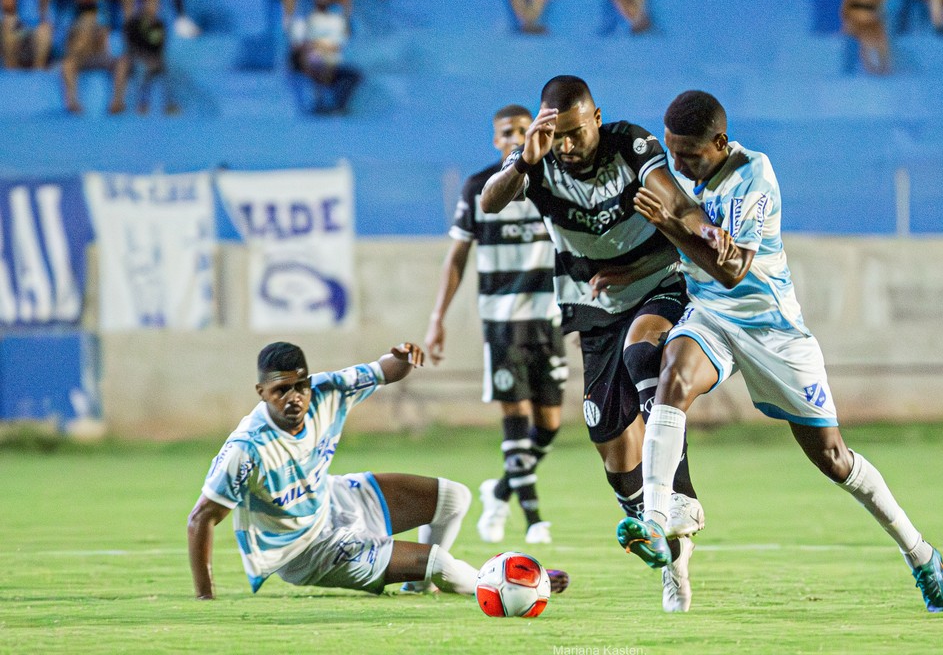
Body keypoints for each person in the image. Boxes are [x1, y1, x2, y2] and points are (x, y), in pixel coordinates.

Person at [615, 90, 943, 615]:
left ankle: (921, 556)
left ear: (720, 143)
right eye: (672, 151)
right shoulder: (675, 174)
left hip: (774, 332)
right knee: (672, 375)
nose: (679, 164)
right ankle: (658, 522)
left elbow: (730, 270)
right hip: (713, 317)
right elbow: (694, 244)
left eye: (689, 155)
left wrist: (672, 225)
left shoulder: (756, 176)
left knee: (834, 459)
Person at [480, 75, 716, 613]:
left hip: (660, 283)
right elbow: (492, 202)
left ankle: (679, 500)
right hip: (595, 308)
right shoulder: (536, 159)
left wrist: (706, 241)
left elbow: (677, 207)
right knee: (608, 438)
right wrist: (522, 161)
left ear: (597, 118)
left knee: (645, 351)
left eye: (575, 133)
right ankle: (668, 552)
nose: (566, 145)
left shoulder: (631, 146)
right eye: (556, 134)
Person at [186, 340, 570, 598]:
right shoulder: (247, 448)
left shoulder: (327, 390)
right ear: (261, 392)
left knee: (455, 497)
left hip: (333, 498)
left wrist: (403, 357)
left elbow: (384, 369)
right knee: (436, 561)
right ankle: (514, 585)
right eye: (280, 390)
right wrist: (205, 597)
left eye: (299, 386)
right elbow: (201, 517)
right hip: (305, 548)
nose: (294, 397)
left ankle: (417, 587)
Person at [425, 105, 567, 546]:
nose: (516, 137)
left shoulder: (553, 183)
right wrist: (437, 319)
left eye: (524, 130)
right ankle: (533, 519)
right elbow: (457, 257)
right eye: (508, 132)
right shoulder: (478, 188)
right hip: (503, 322)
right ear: (495, 139)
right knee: (515, 414)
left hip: (549, 319)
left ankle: (499, 490)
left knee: (549, 424)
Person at [291, 0, 361, 113]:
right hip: (308, 62)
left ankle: (339, 106)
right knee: (317, 63)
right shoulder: (303, 21)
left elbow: (339, 45)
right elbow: (299, 47)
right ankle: (319, 102)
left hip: (327, 61)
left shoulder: (335, 20)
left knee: (353, 75)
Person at [60, 0, 129, 114]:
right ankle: (72, 101)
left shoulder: (101, 27)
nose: (90, 20)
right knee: (67, 64)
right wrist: (83, 41)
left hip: (98, 57)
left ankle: (117, 101)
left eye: (93, 16)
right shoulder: (74, 28)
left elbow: (106, 52)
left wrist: (99, 37)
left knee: (122, 62)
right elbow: (70, 53)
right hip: (81, 59)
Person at [123, 0, 178, 115]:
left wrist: (156, 60)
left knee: (170, 68)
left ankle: (170, 103)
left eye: (156, 4)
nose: (154, 6)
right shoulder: (133, 24)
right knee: (141, 69)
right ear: (144, 5)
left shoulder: (160, 25)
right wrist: (146, 58)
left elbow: (160, 47)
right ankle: (141, 104)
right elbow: (131, 47)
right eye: (151, 3)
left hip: (155, 59)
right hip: (137, 58)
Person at [841, 0, 889, 73]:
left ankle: (885, 67)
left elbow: (881, 12)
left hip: (873, 25)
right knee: (859, 42)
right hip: (858, 25)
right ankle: (866, 68)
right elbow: (846, 12)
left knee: (881, 42)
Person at [1, 0, 52, 70]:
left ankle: (37, 72)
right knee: (8, 24)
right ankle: (11, 70)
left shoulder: (48, 2)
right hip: (20, 33)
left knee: (44, 30)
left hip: (35, 34)